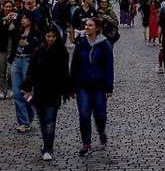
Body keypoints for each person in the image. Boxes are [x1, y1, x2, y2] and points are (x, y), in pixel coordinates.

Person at [21, 26, 71, 161]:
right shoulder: (38, 52)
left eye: (53, 36)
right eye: (48, 36)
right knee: (43, 121)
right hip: (39, 91)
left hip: (54, 91)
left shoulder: (62, 52)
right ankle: (46, 142)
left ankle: (48, 147)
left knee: (50, 120)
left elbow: (65, 73)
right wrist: (27, 86)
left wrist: (67, 90)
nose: (50, 39)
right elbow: (31, 70)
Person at [70, 18, 114, 157]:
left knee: (100, 114)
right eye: (86, 25)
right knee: (84, 114)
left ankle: (101, 131)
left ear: (97, 28)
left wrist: (109, 87)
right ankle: (86, 144)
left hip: (99, 86)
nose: (87, 27)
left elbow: (109, 67)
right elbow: (74, 66)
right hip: (83, 85)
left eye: (90, 25)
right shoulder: (80, 45)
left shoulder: (105, 45)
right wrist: (72, 86)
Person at [9, 11, 41, 133]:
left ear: (31, 20)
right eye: (22, 18)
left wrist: (29, 43)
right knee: (17, 93)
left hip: (28, 61)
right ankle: (24, 122)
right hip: (17, 60)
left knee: (27, 92)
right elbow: (5, 30)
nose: (23, 20)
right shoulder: (17, 32)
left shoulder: (36, 33)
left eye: (26, 18)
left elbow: (39, 46)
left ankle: (29, 113)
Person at [0, 0, 16, 99]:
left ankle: (10, 88)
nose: (8, 9)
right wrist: (5, 20)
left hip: (12, 48)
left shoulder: (16, 17)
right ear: (3, 7)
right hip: (1, 47)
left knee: (11, 71)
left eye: (10, 6)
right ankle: (1, 91)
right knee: (0, 70)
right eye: (6, 7)